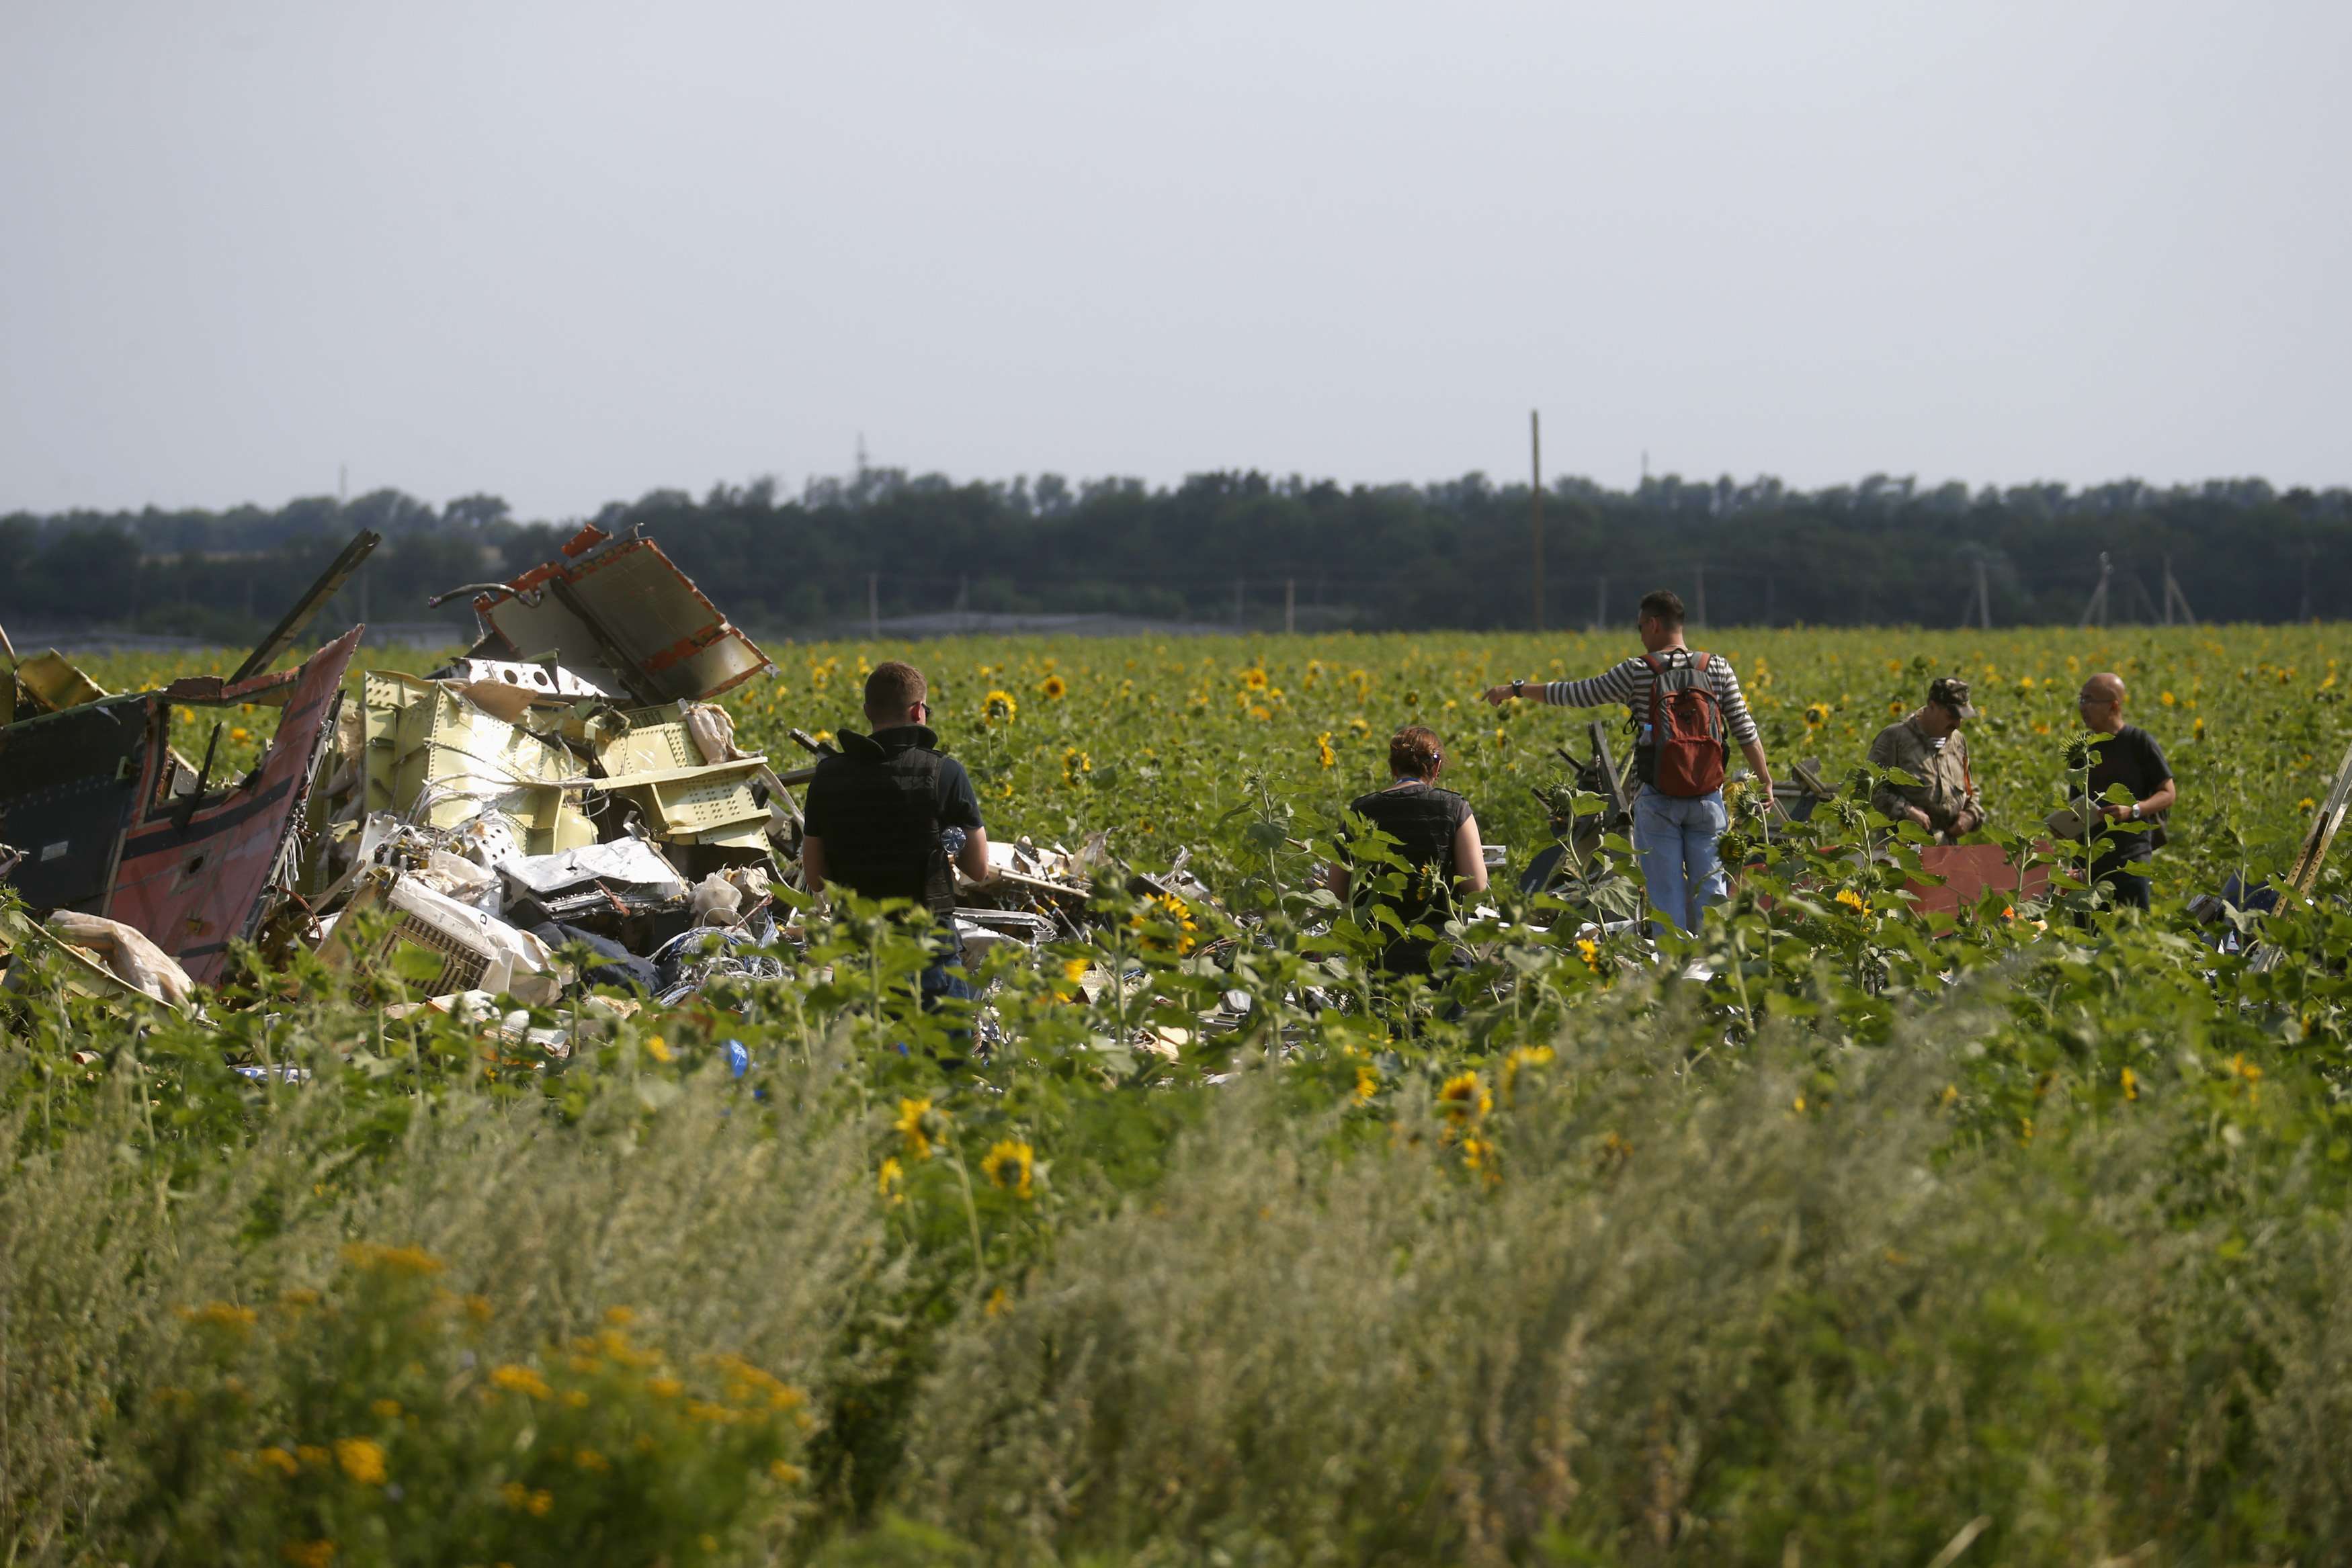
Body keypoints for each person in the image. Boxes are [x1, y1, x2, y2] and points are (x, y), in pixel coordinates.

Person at [1482, 588, 1771, 935]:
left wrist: (1516, 689)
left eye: (1639, 628)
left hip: (1657, 797)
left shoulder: (1637, 671)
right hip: (1708, 797)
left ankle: (1675, 980)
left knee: (1666, 900)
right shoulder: (1717, 668)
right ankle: (1718, 977)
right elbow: (1744, 728)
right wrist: (1765, 780)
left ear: (1652, 624)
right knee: (1712, 893)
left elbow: (1575, 693)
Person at [800, 661, 993, 1006]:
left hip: (857, 946)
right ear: (919, 711)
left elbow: (815, 879)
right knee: (945, 1055)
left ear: (867, 711)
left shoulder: (827, 777)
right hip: (927, 950)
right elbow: (977, 869)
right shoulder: (944, 772)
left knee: (870, 1054)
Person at [1327, 726, 1489, 975]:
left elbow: (1337, 890)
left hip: (1379, 957)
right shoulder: (1455, 808)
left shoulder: (1361, 810)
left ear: (1393, 768)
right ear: (1436, 768)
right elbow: (1476, 886)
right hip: (1443, 955)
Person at [2064, 671, 2176, 911]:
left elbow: (2168, 793)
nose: (2082, 707)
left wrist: (2133, 810)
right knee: (2087, 939)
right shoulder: (2081, 748)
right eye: (2081, 699)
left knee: (2131, 938)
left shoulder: (2138, 742)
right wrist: (2063, 828)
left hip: (2130, 859)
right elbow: (2075, 804)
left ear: (2113, 705)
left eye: (2090, 700)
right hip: (2088, 864)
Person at [1867, 677, 1986, 842]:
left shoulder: (1958, 741)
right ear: (1932, 706)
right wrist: (1906, 811)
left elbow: (1969, 788)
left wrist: (1971, 815)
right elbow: (1871, 788)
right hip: (1902, 848)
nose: (1958, 724)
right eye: (1952, 715)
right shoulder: (1895, 738)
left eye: (1962, 717)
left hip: (1947, 848)